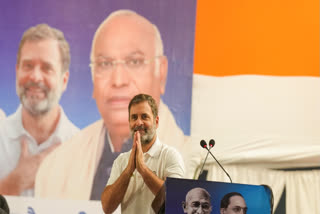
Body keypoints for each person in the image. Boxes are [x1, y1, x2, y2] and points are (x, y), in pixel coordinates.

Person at [35, 9, 200, 200]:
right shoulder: (56, 167)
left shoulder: (196, 166)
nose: (118, 80)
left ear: (161, 72)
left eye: (134, 61)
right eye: (105, 64)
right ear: (92, 78)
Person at [0, 24, 79, 197]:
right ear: (17, 71)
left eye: (46, 68)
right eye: (28, 66)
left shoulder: (85, 151)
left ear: (64, 80)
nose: (35, 77)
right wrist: (13, 183)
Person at [101, 94, 185, 214]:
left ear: (156, 122)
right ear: (129, 122)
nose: (139, 122)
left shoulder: (170, 156)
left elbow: (176, 201)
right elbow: (107, 207)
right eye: (134, 117)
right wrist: (128, 171)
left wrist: (143, 169)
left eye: (144, 117)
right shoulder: (121, 161)